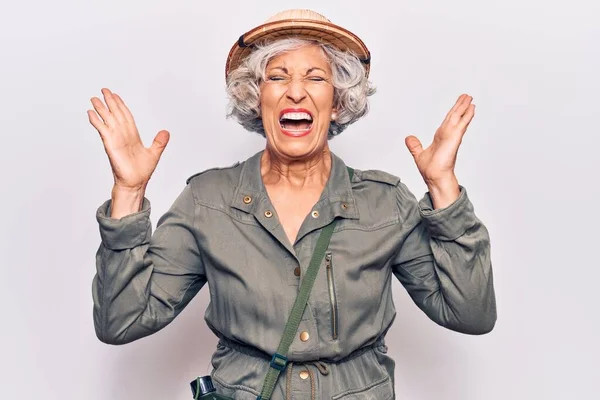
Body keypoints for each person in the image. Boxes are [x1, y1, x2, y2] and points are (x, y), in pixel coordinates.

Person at [88, 9, 496, 400]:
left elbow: (471, 315)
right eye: (277, 76)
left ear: (336, 102)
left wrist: (443, 187)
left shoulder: (386, 203)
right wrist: (128, 191)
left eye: (315, 77)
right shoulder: (207, 201)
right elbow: (121, 322)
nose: (295, 90)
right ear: (255, 97)